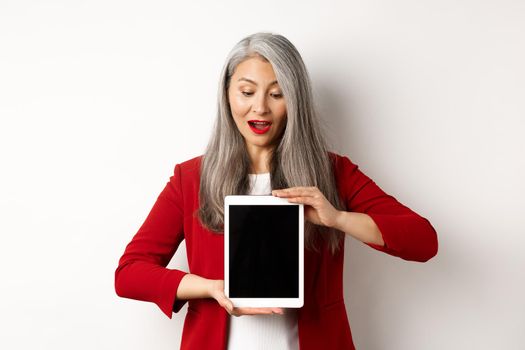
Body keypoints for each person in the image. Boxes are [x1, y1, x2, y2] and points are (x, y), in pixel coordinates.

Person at [114, 32, 438, 350]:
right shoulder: (191, 178)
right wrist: (211, 288)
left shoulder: (332, 173)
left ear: (294, 100)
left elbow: (423, 241)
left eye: (277, 93)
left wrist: (337, 218)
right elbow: (129, 273)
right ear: (228, 94)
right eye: (247, 91)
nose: (260, 108)